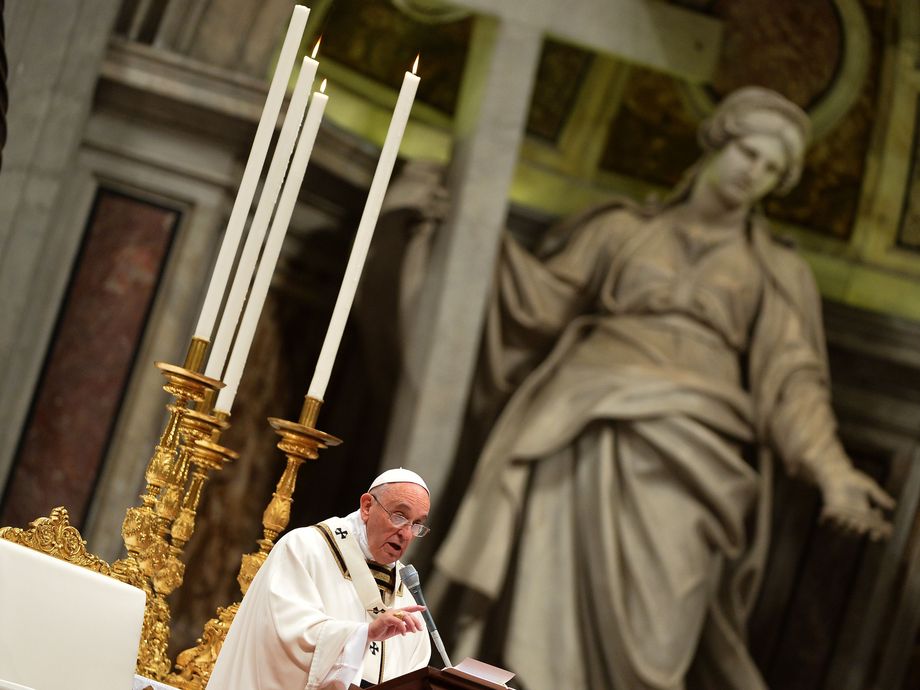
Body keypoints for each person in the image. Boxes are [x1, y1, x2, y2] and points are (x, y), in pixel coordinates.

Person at [431, 87, 895, 690]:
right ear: (719, 143)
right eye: (749, 153)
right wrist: (469, 221)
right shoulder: (620, 229)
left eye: (773, 170)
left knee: (661, 626)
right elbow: (537, 304)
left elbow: (794, 385)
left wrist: (833, 472)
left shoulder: (777, 271)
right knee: (547, 593)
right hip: (580, 417)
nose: (755, 173)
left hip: (694, 449)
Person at [206, 468, 432, 690]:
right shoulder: (304, 548)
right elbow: (284, 634)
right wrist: (363, 635)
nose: (407, 533)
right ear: (367, 506)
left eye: (417, 524)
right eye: (399, 516)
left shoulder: (406, 599)